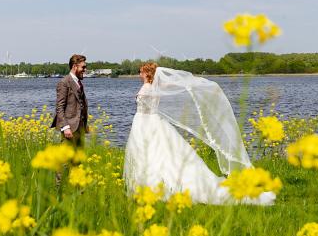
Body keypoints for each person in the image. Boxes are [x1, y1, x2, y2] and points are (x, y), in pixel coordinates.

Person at [123, 62, 275, 206]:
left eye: (141, 71)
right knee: (159, 153)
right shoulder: (157, 86)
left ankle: (151, 186)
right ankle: (152, 185)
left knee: (149, 153)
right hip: (152, 121)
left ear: (146, 73)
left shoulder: (147, 88)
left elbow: (143, 102)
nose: (139, 74)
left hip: (145, 122)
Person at [50, 54, 88, 185]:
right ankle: (58, 190)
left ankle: (77, 192)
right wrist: (65, 127)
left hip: (80, 128)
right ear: (74, 66)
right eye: (83, 67)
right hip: (69, 129)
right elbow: (59, 107)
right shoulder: (64, 82)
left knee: (77, 162)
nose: (85, 69)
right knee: (64, 162)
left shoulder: (78, 82)